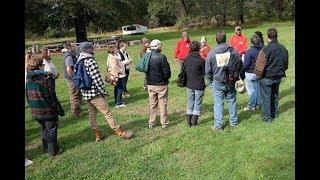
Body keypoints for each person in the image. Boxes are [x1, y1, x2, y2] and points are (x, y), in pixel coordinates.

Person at [78, 42, 133, 141]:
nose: (93, 49)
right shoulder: (90, 61)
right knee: (107, 112)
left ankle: (98, 134)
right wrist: (103, 91)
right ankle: (121, 132)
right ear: (87, 49)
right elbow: (97, 79)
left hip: (86, 93)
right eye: (91, 48)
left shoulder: (79, 60)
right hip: (95, 93)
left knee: (92, 114)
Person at [25, 55, 65, 156]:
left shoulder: (28, 80)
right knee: (51, 130)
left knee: (44, 129)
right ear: (39, 66)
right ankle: (53, 151)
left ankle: (46, 148)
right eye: (42, 65)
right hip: (47, 110)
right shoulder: (45, 80)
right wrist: (57, 109)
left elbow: (27, 97)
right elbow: (51, 97)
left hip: (35, 111)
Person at [205, 30, 242, 131]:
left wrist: (212, 82)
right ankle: (233, 122)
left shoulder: (211, 53)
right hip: (230, 80)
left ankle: (218, 125)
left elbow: (207, 71)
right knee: (232, 101)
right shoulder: (233, 51)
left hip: (219, 81)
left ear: (216, 40)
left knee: (218, 104)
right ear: (225, 39)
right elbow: (240, 64)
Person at [254, 28, 289, 122]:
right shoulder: (283, 48)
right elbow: (285, 65)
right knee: (275, 95)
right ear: (276, 36)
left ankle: (267, 118)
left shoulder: (265, 50)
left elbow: (259, 66)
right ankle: (274, 113)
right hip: (278, 77)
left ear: (267, 37)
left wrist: (258, 76)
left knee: (266, 98)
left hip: (266, 78)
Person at [146, 39, 171, 129]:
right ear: (158, 47)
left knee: (152, 104)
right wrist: (166, 78)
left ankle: (151, 123)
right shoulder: (162, 57)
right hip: (161, 85)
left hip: (150, 84)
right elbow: (166, 72)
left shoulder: (146, 56)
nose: (161, 47)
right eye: (161, 45)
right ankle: (164, 123)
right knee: (162, 104)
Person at [184, 41, 206, 127]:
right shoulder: (201, 60)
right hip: (199, 85)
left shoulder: (186, 59)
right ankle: (194, 121)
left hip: (189, 84)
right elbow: (205, 72)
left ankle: (189, 121)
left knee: (190, 102)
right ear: (199, 48)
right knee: (197, 103)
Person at [243, 34, 264, 111]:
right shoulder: (263, 49)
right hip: (260, 72)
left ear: (251, 42)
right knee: (257, 89)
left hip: (251, 73)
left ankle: (251, 106)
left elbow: (246, 65)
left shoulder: (249, 52)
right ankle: (258, 104)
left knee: (252, 91)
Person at [63, 41, 83, 116]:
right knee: (75, 95)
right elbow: (69, 69)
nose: (75, 47)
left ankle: (78, 110)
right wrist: (75, 78)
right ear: (69, 48)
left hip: (73, 79)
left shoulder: (72, 54)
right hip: (72, 79)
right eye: (73, 46)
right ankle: (76, 112)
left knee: (77, 94)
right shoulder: (68, 56)